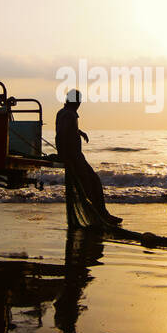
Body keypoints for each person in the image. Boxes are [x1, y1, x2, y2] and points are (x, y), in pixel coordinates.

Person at [56, 90, 122, 229]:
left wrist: (79, 132)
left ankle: (101, 214)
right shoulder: (69, 114)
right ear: (75, 102)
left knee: (91, 183)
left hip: (75, 156)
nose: (79, 104)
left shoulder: (64, 112)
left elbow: (65, 131)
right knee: (92, 184)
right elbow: (61, 135)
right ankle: (102, 215)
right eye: (79, 101)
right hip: (74, 156)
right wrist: (64, 156)